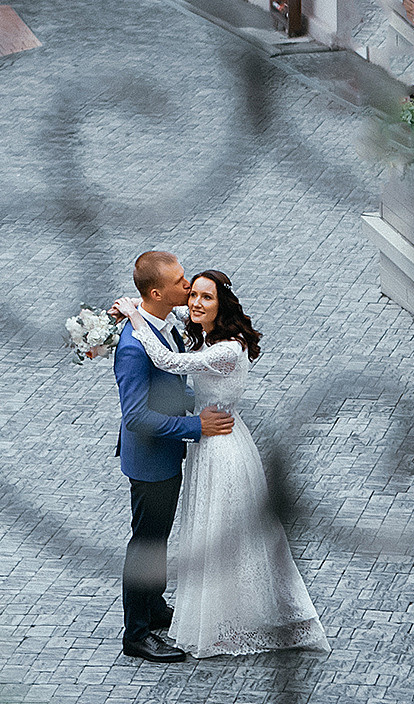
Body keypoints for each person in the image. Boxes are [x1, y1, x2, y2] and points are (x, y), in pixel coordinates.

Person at [116, 270, 329, 660]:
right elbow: (140, 397)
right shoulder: (200, 332)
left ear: (222, 303)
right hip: (197, 443)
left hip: (219, 447)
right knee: (161, 539)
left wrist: (134, 315)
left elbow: (166, 359)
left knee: (216, 532)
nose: (193, 301)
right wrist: (126, 318)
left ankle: (206, 613)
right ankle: (139, 630)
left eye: (204, 296)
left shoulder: (226, 348)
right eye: (190, 291)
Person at [113, 251, 232, 663]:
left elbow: (172, 384)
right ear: (158, 292)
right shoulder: (132, 347)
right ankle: (136, 634)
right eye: (181, 282)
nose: (188, 287)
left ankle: (155, 606)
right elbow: (137, 417)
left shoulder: (163, 327)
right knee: (145, 544)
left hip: (166, 455)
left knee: (158, 539)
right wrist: (195, 427)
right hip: (149, 460)